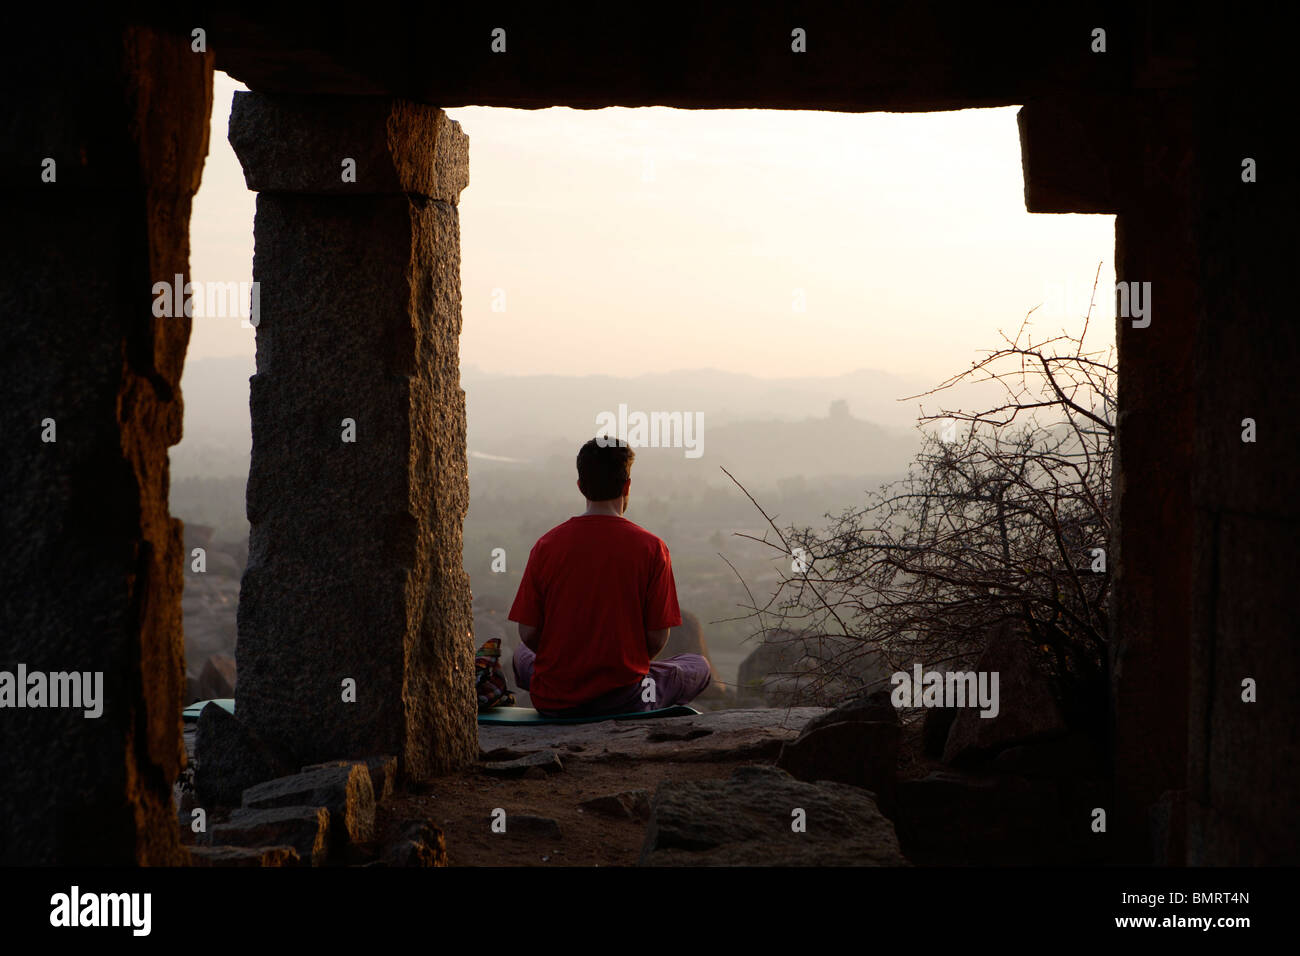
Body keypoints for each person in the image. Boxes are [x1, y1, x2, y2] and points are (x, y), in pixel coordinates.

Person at [507, 437, 712, 717]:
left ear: (580, 486)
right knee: (697, 666)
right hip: (625, 699)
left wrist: (568, 664)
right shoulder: (652, 548)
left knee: (521, 655)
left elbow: (528, 633)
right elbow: (656, 639)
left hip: (555, 698)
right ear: (627, 485)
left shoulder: (546, 545)